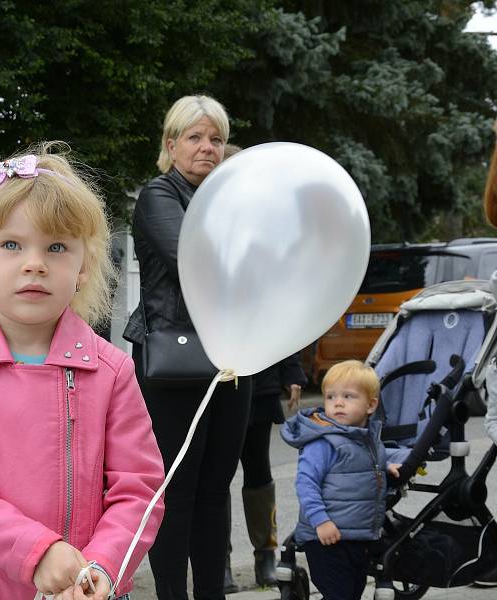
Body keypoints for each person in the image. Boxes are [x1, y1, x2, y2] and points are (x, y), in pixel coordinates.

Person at [0, 143, 165, 600]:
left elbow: (138, 490)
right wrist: (36, 551)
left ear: (83, 267)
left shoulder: (111, 370)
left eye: (56, 247)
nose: (34, 263)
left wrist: (103, 568)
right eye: (11, 245)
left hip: (84, 589)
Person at [122, 94, 253, 600]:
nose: (208, 148)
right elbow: (200, 261)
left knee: (217, 488)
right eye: (196, 138)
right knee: (177, 490)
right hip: (174, 360)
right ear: (171, 144)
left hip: (232, 355)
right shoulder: (160, 195)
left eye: (217, 139)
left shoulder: (228, 199)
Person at [280, 360, 400, 600]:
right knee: (339, 594)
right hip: (326, 537)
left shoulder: (367, 438)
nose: (338, 403)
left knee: (351, 592)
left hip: (358, 535)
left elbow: (361, 463)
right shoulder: (323, 442)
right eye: (330, 397)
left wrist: (386, 466)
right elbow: (306, 484)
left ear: (371, 405)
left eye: (348, 396)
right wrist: (321, 521)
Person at [225, 353, 306, 592]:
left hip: (261, 382)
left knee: (259, 472)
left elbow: (278, 321)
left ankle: (265, 556)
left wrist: (292, 373)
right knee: (217, 481)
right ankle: (219, 561)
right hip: (220, 383)